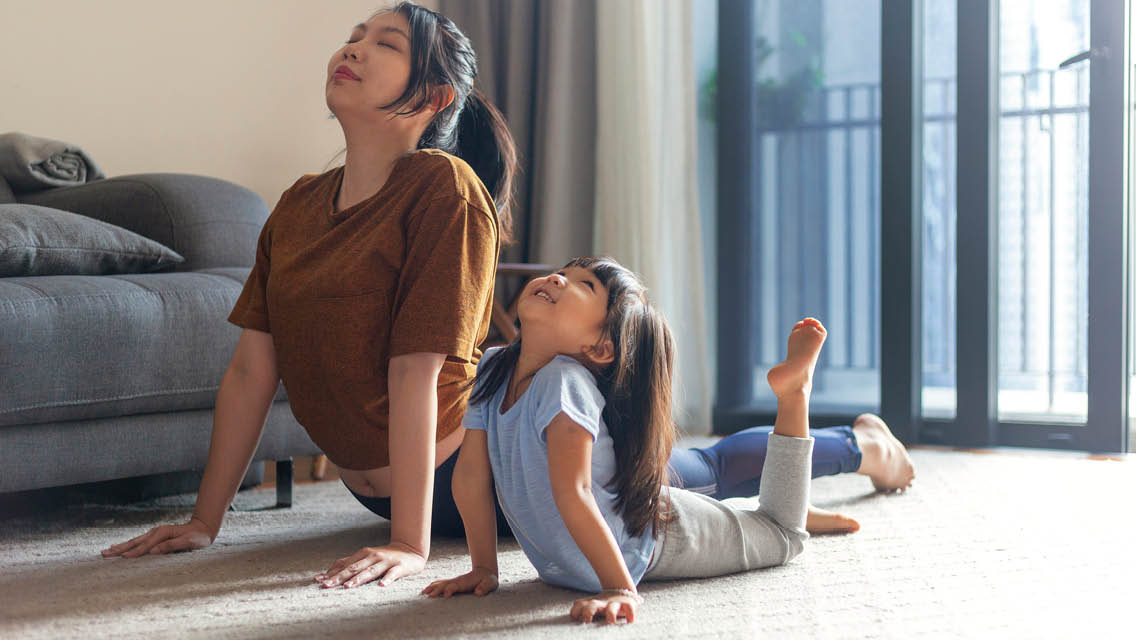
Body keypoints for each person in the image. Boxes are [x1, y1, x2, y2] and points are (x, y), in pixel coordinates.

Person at [102, 3, 914, 589]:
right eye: (353, 35)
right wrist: (206, 522)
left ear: (430, 99)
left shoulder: (444, 189)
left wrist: (412, 544)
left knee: (672, 471)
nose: (352, 47)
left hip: (483, 454)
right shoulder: (298, 205)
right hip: (374, 480)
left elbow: (417, 371)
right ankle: (798, 489)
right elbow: (252, 371)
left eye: (384, 43)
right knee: (677, 479)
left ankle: (859, 446)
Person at [422, 257, 835, 624]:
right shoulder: (494, 368)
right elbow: (470, 477)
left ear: (601, 347)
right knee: (759, 521)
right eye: (562, 272)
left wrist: (620, 588)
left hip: (657, 535)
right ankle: (746, 510)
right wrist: (484, 570)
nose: (557, 279)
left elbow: (574, 491)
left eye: (584, 285)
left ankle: (794, 395)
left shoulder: (562, 382)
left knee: (783, 534)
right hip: (584, 558)